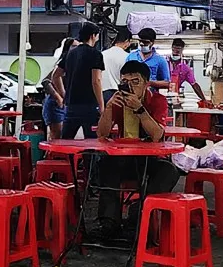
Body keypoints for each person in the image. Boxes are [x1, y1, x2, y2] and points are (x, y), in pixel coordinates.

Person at [95, 60, 180, 238]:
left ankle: (139, 213)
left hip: (149, 160)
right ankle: (109, 222)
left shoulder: (158, 101)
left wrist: (140, 109)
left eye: (136, 82)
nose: (131, 87)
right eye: (126, 82)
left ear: (146, 83)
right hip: (122, 158)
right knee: (104, 165)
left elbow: (157, 135)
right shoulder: (117, 102)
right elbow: (102, 134)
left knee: (170, 171)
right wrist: (109, 108)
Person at [54, 22, 105, 139]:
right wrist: (102, 106)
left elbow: (55, 76)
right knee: (92, 142)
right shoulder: (96, 54)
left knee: (66, 140)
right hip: (89, 105)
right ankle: (88, 158)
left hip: (71, 104)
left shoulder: (70, 54)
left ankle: (66, 158)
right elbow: (96, 81)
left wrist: (64, 94)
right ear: (93, 36)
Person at [41, 38, 77, 140]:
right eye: (73, 46)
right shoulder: (62, 63)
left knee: (63, 137)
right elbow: (45, 81)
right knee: (56, 137)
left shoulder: (75, 64)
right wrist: (58, 97)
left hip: (67, 104)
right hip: (56, 103)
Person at [101, 27, 134, 106]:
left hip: (100, 93)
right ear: (126, 41)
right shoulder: (127, 57)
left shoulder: (102, 54)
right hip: (117, 95)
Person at [168, 39, 207, 103]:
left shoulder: (185, 68)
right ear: (172, 48)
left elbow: (194, 84)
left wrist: (204, 100)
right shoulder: (163, 62)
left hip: (175, 96)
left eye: (179, 49)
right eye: (175, 48)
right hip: (162, 93)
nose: (176, 50)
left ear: (182, 50)